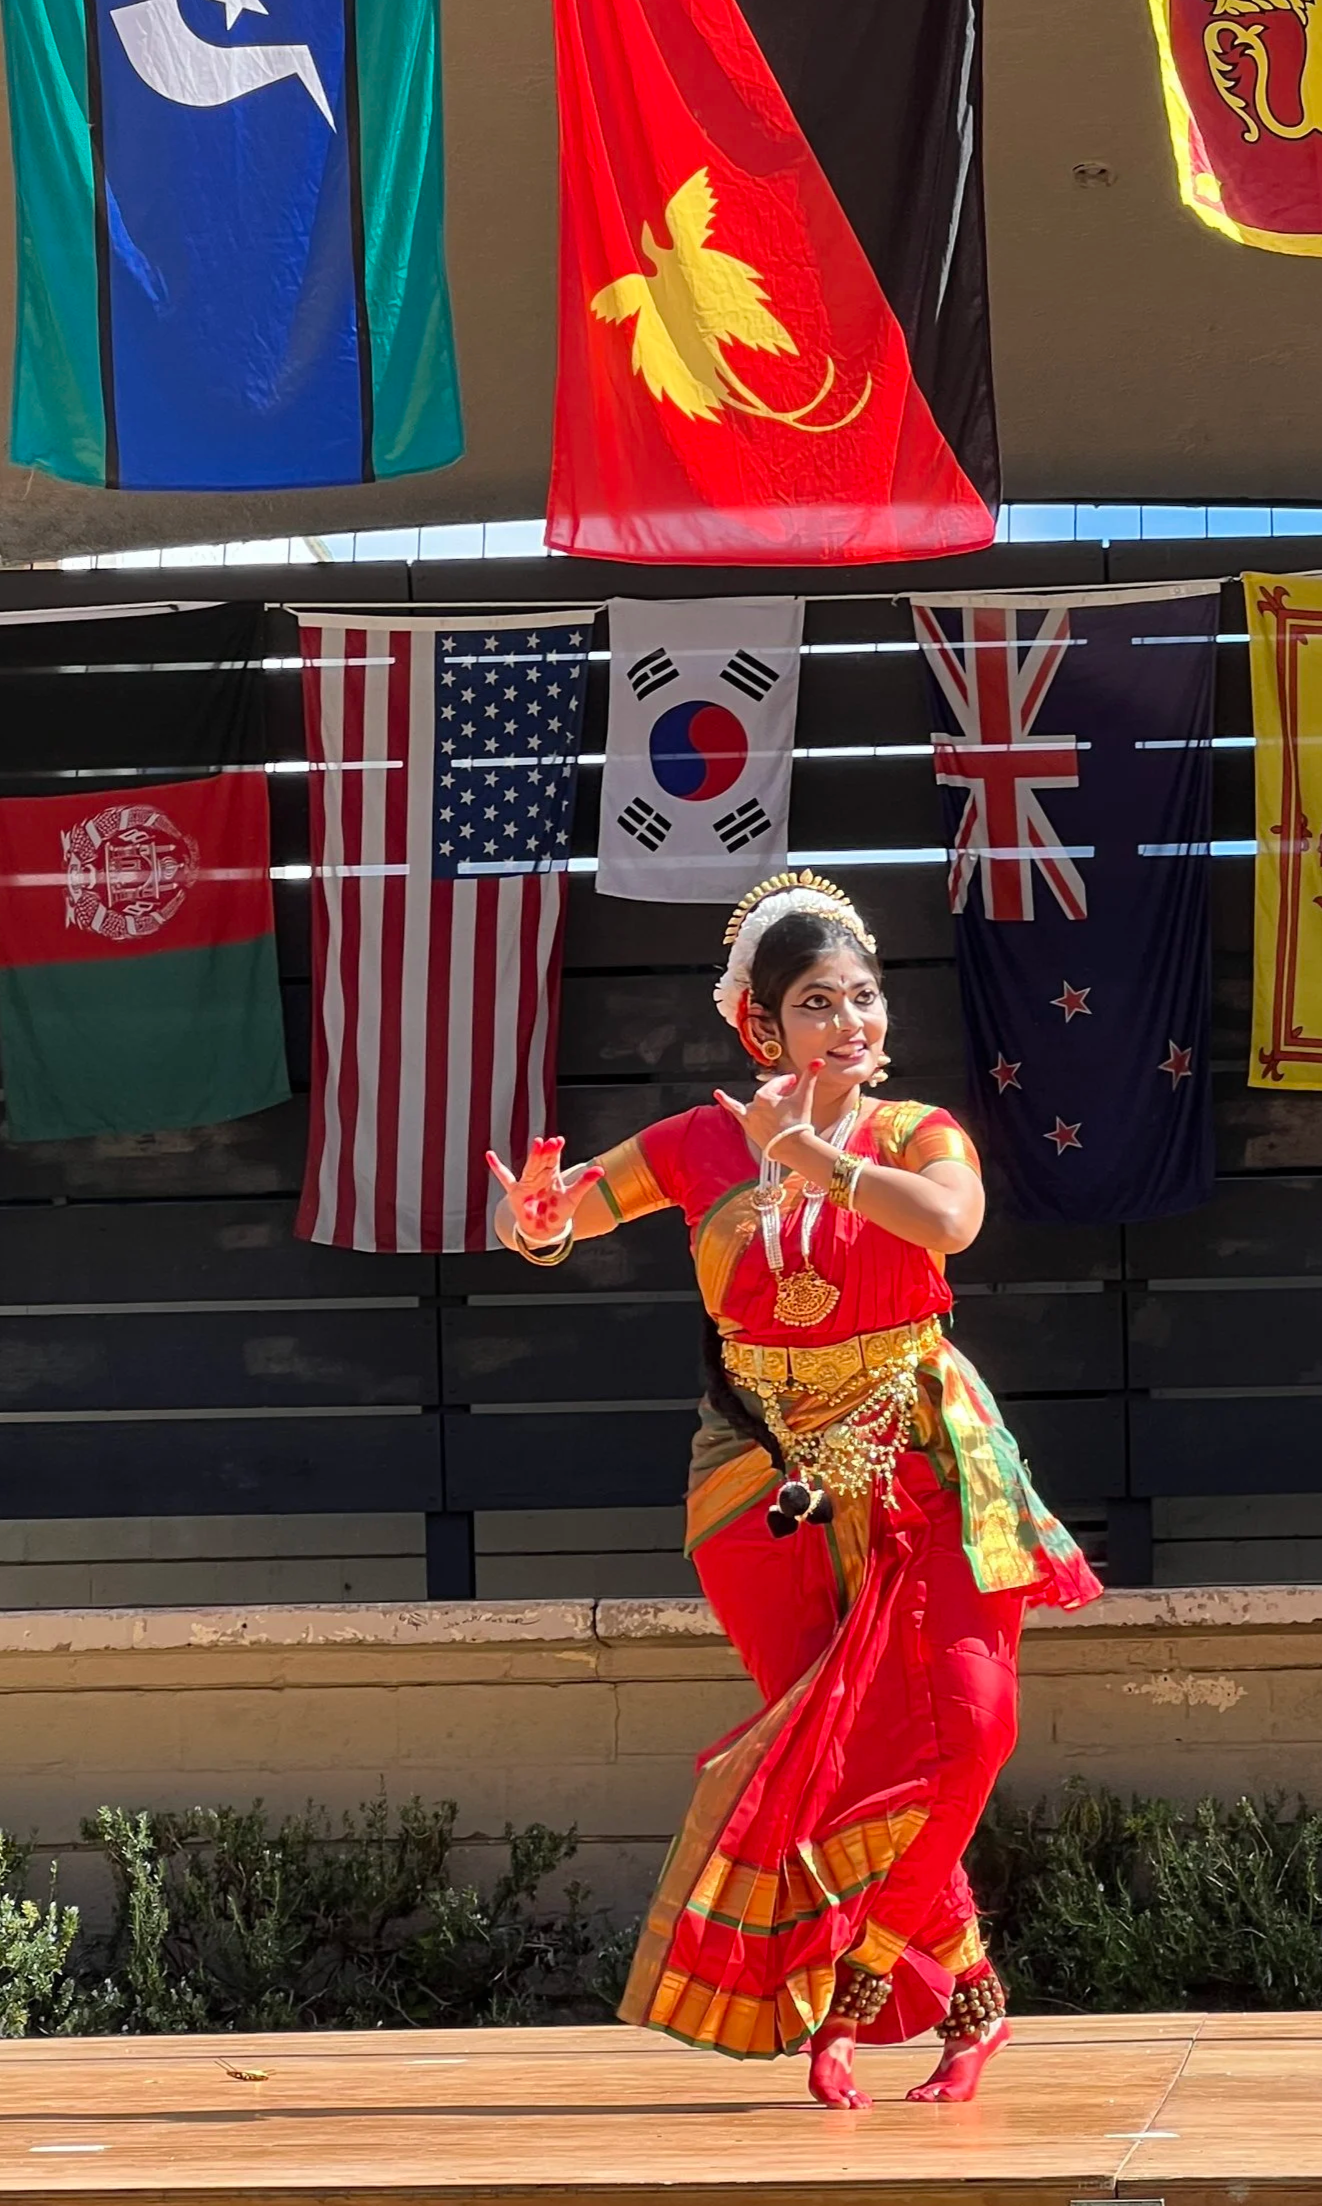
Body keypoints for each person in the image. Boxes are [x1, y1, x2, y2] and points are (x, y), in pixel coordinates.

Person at [488, 871, 1101, 2108]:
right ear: (763, 1027)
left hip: (922, 1460)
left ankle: (877, 1980)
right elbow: (574, 1214)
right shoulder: (698, 1144)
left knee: (973, 1727)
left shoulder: (915, 1132)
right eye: (820, 1002)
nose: (853, 1022)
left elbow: (952, 1221)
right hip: (761, 1479)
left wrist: (812, 1156)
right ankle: (967, 1998)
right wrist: (537, 1223)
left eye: (866, 997)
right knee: (835, 1753)